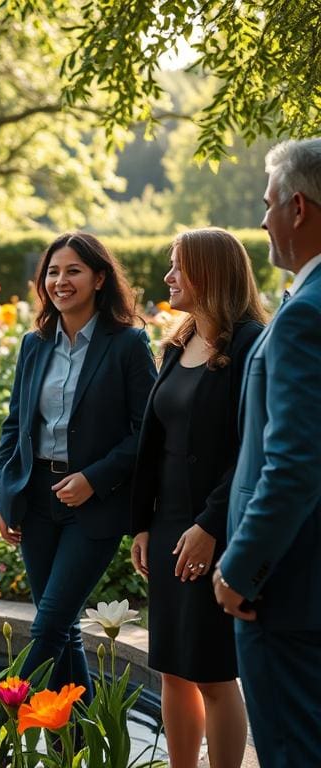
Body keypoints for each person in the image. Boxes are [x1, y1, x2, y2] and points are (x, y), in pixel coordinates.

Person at [0, 231, 157, 699]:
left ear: (99, 278)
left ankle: (0, 732)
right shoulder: (34, 343)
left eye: (73, 270)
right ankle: (81, 745)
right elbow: (14, 426)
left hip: (95, 505)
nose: (60, 281)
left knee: (47, 628)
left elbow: (146, 430)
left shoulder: (127, 344)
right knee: (62, 629)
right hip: (36, 501)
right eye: (53, 271)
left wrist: (93, 478)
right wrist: (6, 494)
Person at [130, 228, 266, 768]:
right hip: (168, 527)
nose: (168, 277)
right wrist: (142, 523)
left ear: (209, 273)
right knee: (170, 667)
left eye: (178, 267)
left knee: (212, 671)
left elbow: (249, 448)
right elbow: (152, 441)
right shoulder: (177, 342)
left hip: (218, 527)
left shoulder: (253, 343)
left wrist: (211, 526)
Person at [214, 138, 321, 768]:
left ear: (299, 208)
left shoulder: (306, 315)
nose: (262, 220)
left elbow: (295, 463)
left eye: (267, 203)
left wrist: (240, 568)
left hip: (286, 588)